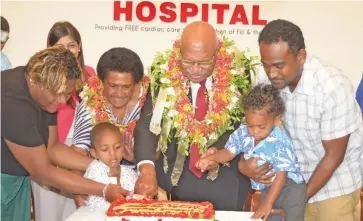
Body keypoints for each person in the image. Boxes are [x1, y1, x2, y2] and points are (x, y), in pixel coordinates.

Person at [239, 19, 363, 221]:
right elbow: (254, 131)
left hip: (334, 187)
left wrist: (295, 199)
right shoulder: (265, 80)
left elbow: (333, 156)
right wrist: (244, 165)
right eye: (266, 64)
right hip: (287, 183)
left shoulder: (332, 87)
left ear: (301, 56)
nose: (271, 73)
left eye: (279, 66)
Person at [135, 21, 254, 210]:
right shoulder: (163, 75)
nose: (196, 69)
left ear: (217, 53)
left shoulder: (239, 73)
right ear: (179, 53)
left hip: (227, 183)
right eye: (189, 62)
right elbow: (147, 125)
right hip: (176, 184)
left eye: (204, 62)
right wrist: (146, 168)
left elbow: (247, 125)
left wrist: (221, 152)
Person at [1, 47, 126, 221]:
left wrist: (103, 167)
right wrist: (103, 189)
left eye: (67, 95)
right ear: (36, 81)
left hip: (16, 182)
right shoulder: (11, 100)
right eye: (57, 94)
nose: (61, 101)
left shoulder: (47, 91)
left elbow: (54, 148)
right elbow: (42, 170)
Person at [197, 84, 306, 221]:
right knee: (265, 217)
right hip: (268, 188)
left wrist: (267, 203)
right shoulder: (243, 134)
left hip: (291, 188)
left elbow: (281, 176)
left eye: (261, 127)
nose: (255, 132)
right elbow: (228, 153)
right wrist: (211, 158)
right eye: (250, 126)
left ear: (276, 119)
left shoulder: (280, 141)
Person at [30, 21, 98, 221]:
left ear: (79, 47)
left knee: (77, 213)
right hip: (50, 150)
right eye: (60, 47)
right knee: (48, 214)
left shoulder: (91, 75)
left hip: (79, 154)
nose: (67, 51)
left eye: (72, 45)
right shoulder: (42, 77)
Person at [71, 47, 156, 206]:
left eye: (126, 87)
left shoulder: (149, 103)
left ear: (136, 84)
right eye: (112, 86)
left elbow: (159, 153)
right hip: (101, 186)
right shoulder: (89, 103)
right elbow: (78, 151)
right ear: (101, 82)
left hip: (139, 189)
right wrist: (78, 190)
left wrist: (136, 158)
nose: (119, 93)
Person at [83, 122, 138, 208]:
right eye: (105, 149)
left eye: (117, 147)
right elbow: (87, 199)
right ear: (94, 153)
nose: (112, 153)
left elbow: (134, 196)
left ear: (123, 147)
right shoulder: (94, 170)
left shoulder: (129, 173)